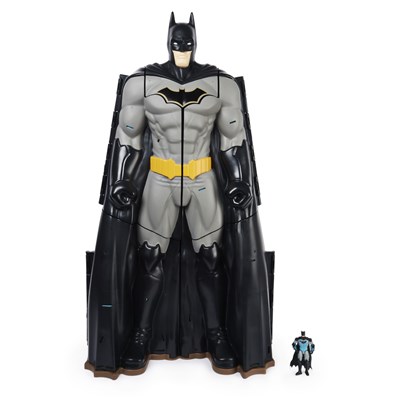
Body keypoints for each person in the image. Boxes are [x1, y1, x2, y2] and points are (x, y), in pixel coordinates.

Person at [86, 12, 274, 379]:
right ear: (168, 42)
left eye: (187, 45)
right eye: (177, 44)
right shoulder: (142, 83)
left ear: (196, 43)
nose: (182, 50)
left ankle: (217, 334)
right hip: (159, 179)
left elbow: (234, 139)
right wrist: (123, 180)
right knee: (149, 257)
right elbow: (128, 137)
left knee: (211, 257)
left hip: (203, 180)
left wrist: (238, 180)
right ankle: (141, 335)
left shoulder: (220, 84)